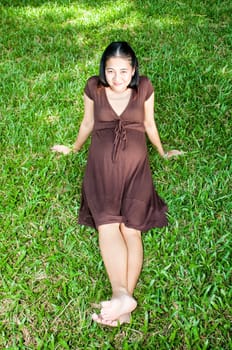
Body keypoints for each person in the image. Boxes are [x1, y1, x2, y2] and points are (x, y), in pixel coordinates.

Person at [52, 41, 182, 327]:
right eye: (111, 71)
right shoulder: (94, 89)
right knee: (109, 225)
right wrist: (73, 149)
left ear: (133, 70)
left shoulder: (144, 88)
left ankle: (122, 299)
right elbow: (87, 123)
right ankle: (122, 299)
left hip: (136, 170)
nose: (117, 78)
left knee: (131, 229)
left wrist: (163, 152)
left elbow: (149, 124)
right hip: (102, 169)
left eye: (124, 71)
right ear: (103, 70)